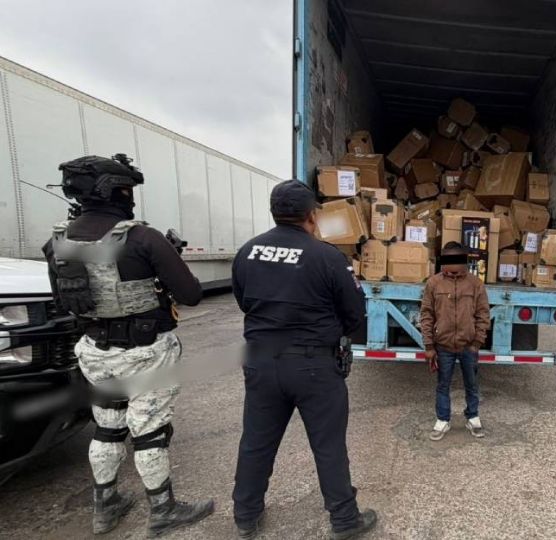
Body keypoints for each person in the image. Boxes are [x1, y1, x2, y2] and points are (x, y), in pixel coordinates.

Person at [42, 154, 213, 536]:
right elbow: (191, 294)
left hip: (95, 352)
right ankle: (163, 510)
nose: (130, 196)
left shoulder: (56, 241)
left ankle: (105, 507)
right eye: (127, 189)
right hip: (146, 353)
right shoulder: (142, 237)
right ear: (113, 191)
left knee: (108, 427)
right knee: (150, 431)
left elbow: (61, 301)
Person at [231, 180, 376, 539]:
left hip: (262, 361)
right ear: (312, 215)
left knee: (256, 441)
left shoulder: (247, 252)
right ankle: (344, 520)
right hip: (314, 366)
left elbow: (244, 301)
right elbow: (355, 314)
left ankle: (246, 515)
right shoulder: (327, 256)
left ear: (273, 212)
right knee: (328, 446)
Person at [420, 242, 491, 441]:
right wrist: (429, 345)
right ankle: (443, 420)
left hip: (468, 346)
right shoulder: (434, 283)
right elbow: (426, 314)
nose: (451, 265)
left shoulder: (475, 284)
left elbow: (483, 314)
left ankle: (473, 417)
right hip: (443, 347)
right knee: (443, 385)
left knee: (472, 384)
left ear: (464, 262)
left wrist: (477, 342)